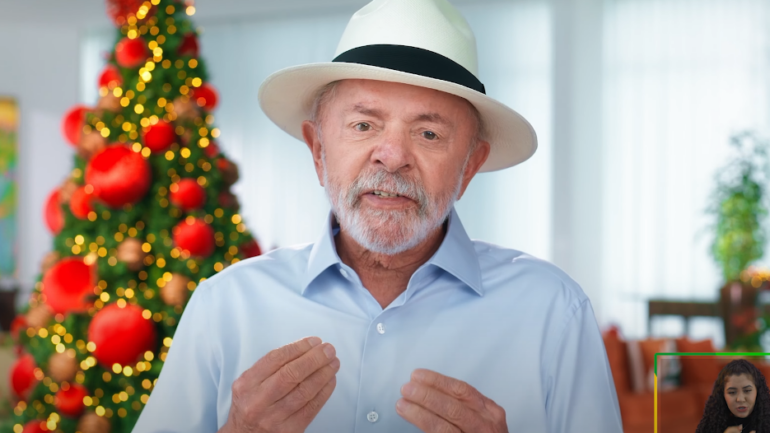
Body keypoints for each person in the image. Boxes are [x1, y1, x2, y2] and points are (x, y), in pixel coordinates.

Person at [133, 0, 623, 431]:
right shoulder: (225, 305)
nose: (392, 156)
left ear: (470, 166)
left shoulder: (554, 312)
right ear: (318, 151)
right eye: (363, 125)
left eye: (429, 134)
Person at [695, 359, 770, 433]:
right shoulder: (712, 424)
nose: (740, 399)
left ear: (758, 392)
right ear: (722, 395)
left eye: (747, 391)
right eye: (732, 392)